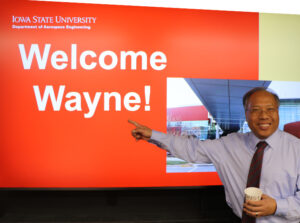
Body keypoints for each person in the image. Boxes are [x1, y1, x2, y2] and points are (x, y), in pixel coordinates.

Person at [129, 87, 300, 222]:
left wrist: (277, 206)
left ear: (277, 111)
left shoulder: (296, 149)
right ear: (246, 114)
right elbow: (191, 148)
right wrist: (153, 135)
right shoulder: (229, 144)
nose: (264, 116)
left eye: (270, 109)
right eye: (255, 109)